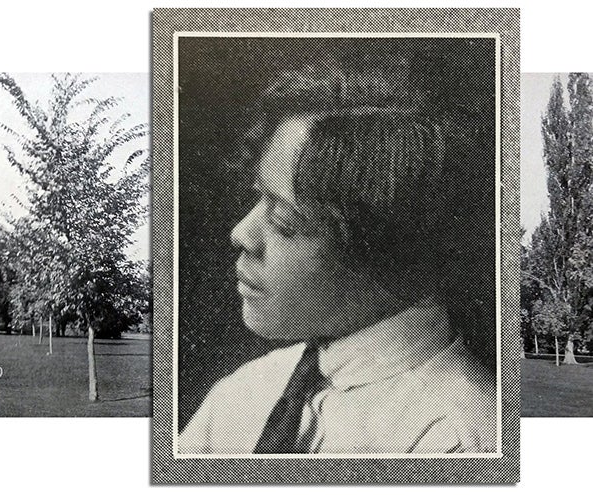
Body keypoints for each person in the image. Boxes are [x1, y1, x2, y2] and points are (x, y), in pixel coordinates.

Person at [178, 63, 497, 454]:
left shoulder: (452, 438)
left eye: (284, 223)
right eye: (258, 200)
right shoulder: (241, 397)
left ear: (377, 248)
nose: (241, 233)